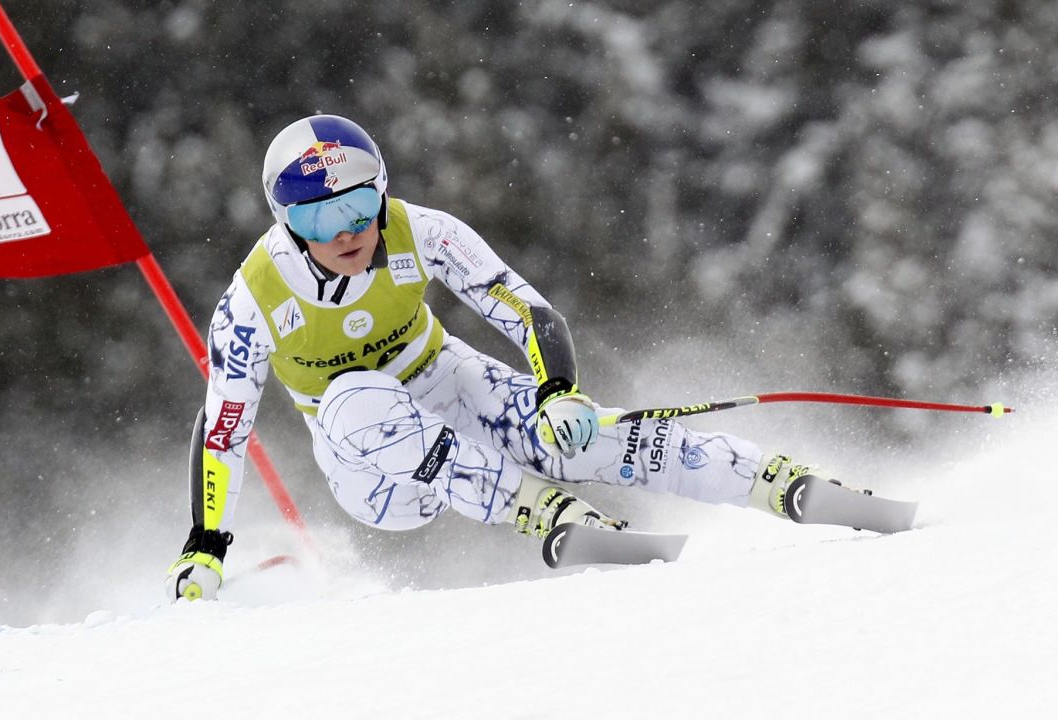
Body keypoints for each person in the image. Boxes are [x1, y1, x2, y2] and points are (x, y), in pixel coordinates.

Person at [165, 114, 847, 600]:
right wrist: (206, 544)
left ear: (382, 192)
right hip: (373, 469)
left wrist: (558, 392)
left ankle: (772, 480)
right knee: (354, 395)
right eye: (319, 218)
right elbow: (224, 427)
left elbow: (523, 309)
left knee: (578, 438)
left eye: (360, 205)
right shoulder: (255, 296)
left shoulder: (419, 230)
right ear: (287, 222)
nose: (347, 231)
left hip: (446, 381)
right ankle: (541, 510)